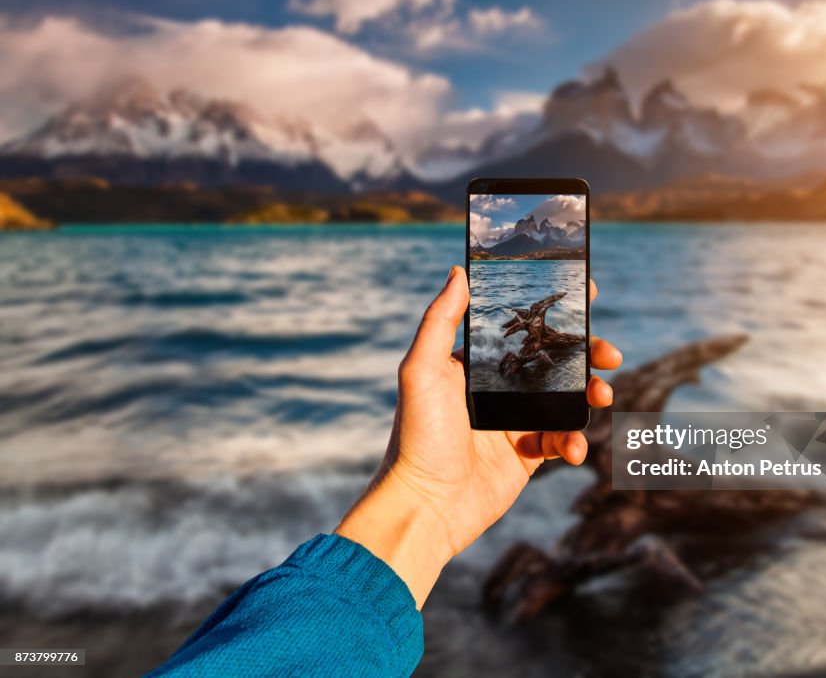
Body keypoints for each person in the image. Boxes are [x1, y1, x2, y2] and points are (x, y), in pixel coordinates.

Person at [148, 266, 622, 677]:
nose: (520, 327)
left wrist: (424, 498)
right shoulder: (524, 333)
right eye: (522, 324)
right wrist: (424, 499)